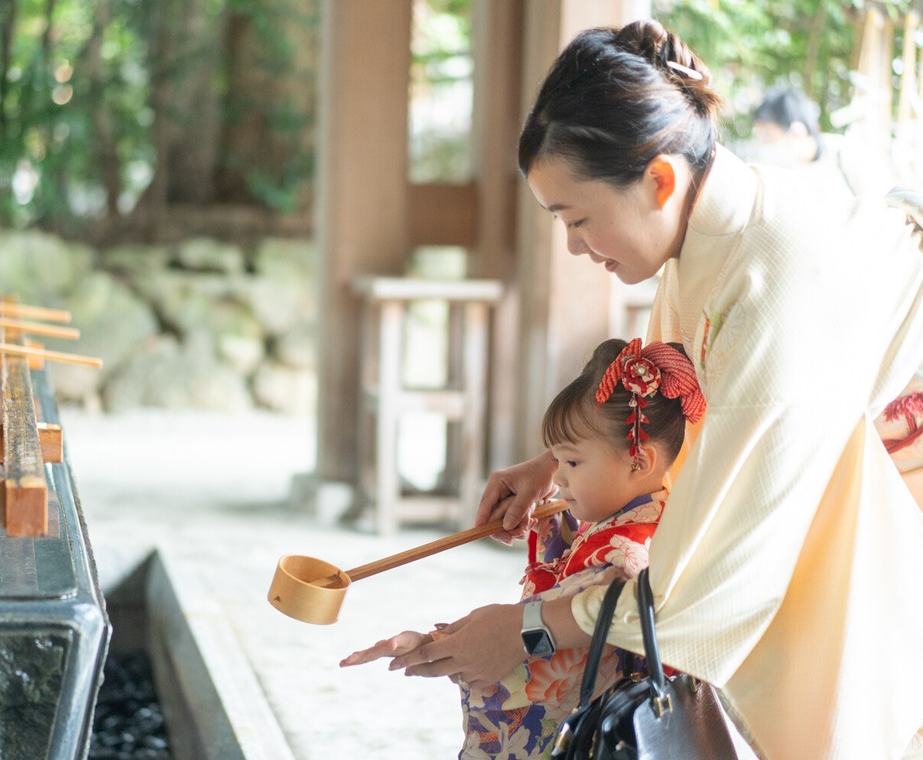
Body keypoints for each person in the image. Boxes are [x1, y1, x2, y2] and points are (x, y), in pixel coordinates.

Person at [361, 19, 923, 760]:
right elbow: (661, 403)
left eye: (578, 217)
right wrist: (554, 463)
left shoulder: (772, 275)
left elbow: (710, 586)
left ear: (658, 179)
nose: (572, 245)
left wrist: (529, 626)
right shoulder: (711, 231)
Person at [340, 337, 705, 758]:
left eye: (572, 462)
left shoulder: (624, 558)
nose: (558, 479)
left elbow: (530, 662)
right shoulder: (634, 522)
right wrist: (441, 641)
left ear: (639, 461)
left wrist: (436, 647)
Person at [748, 86, 893, 197]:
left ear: (796, 131)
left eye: (767, 135)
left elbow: (880, 207)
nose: (764, 145)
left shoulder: (849, 154)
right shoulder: (780, 173)